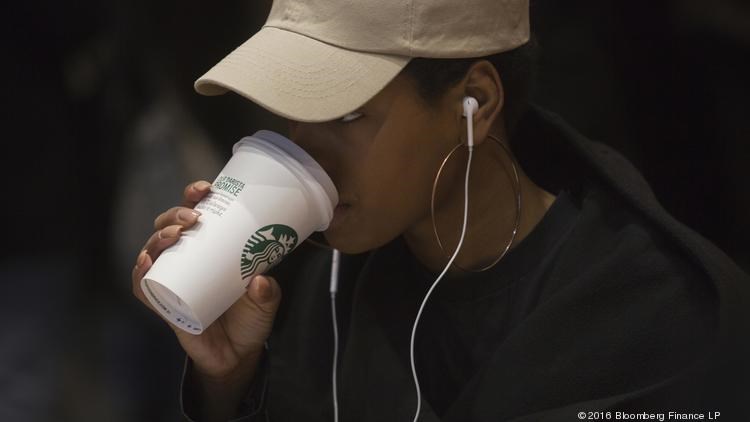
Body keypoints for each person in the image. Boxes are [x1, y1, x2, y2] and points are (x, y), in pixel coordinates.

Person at [131, 0, 750, 420]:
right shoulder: (309, 279)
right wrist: (228, 378)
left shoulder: (655, 317)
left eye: (346, 114)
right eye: (292, 107)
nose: (304, 150)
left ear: (473, 101)